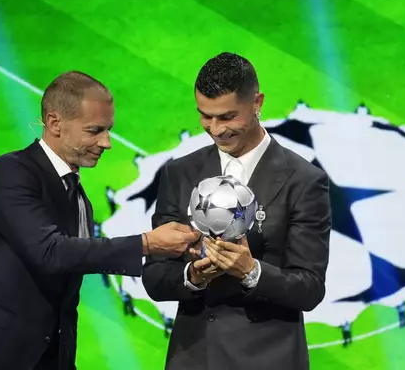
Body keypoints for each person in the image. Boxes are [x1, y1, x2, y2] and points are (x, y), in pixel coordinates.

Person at [0, 71, 200, 370]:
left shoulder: (79, 199)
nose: (107, 142)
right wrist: (147, 243)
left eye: (108, 130)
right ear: (54, 124)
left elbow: (73, 278)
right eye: (94, 130)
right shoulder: (11, 173)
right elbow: (50, 253)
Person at [141, 52, 331, 370]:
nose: (216, 129)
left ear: (257, 103)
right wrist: (193, 276)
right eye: (205, 116)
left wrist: (250, 271)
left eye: (227, 117)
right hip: (195, 358)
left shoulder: (304, 180)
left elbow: (310, 288)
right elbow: (155, 277)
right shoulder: (180, 173)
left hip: (270, 358)